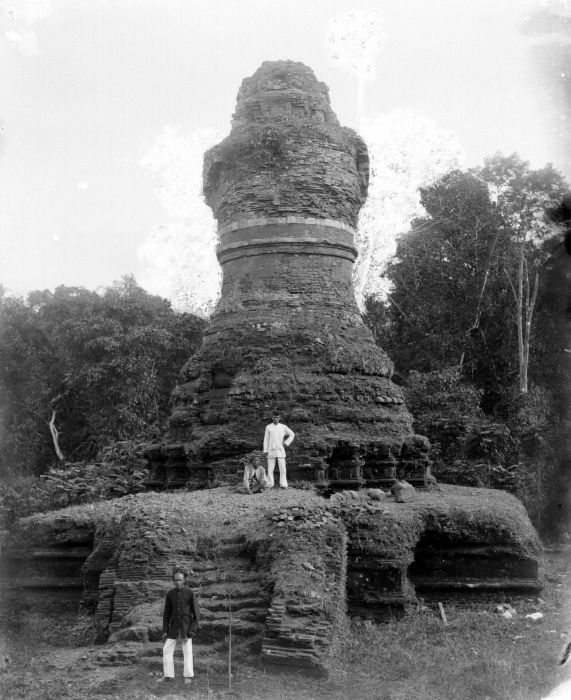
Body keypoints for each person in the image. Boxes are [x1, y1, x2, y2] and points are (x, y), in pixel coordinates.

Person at [157, 567, 200, 686]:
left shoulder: (190, 593)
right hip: (173, 628)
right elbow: (166, 614)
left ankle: (188, 676)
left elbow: (196, 614)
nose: (177, 582)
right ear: (173, 580)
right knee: (166, 650)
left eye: (180, 580)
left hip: (186, 628)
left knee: (187, 652)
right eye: (175, 580)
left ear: (184, 580)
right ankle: (168, 675)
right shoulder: (170, 594)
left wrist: (192, 631)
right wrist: (165, 630)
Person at [263, 412, 295, 489]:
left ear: (279, 418)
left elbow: (292, 434)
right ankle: (270, 484)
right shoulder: (268, 427)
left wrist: (286, 442)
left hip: (280, 450)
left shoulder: (283, 427)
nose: (276, 419)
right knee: (270, 468)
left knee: (282, 468)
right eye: (274, 417)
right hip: (271, 450)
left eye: (277, 417)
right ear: (272, 418)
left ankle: (283, 484)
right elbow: (266, 439)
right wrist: (265, 450)